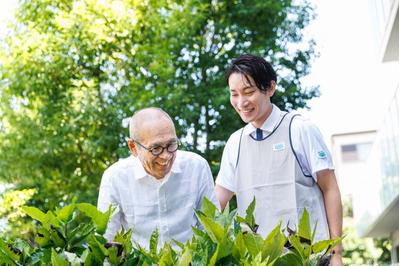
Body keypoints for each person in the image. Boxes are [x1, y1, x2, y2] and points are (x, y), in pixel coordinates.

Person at [215, 54, 343, 265]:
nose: (241, 102)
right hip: (259, 260)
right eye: (234, 94)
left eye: (249, 92)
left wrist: (336, 252)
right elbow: (216, 201)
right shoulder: (235, 142)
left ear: (271, 88)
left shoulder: (299, 129)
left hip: (309, 257)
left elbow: (330, 188)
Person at [98, 107, 219, 249]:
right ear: (133, 147)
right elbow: (107, 239)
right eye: (155, 149)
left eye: (171, 145)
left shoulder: (197, 167)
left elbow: (213, 226)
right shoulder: (115, 178)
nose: (166, 156)